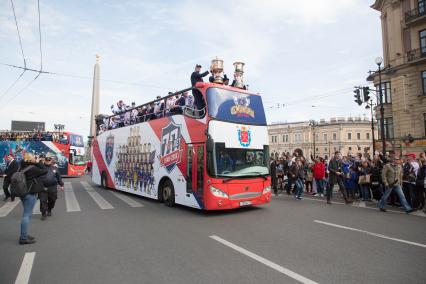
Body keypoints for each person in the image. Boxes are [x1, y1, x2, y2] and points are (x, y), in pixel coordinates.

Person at [18, 153, 48, 244]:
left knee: (26, 214)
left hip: (23, 193)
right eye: (33, 158)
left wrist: (33, 162)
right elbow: (44, 170)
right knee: (26, 215)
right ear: (31, 159)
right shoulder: (33, 168)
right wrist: (37, 162)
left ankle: (24, 234)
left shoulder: (21, 167)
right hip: (30, 194)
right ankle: (23, 238)